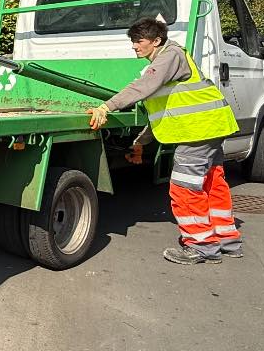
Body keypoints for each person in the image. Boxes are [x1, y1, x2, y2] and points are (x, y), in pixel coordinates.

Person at [87, 17, 242, 265]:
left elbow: (144, 86)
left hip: (196, 132)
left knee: (185, 188)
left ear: (156, 40)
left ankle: (201, 246)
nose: (134, 46)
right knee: (213, 183)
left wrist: (107, 106)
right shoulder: (170, 60)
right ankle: (226, 239)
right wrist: (140, 143)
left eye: (139, 41)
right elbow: (162, 111)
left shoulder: (169, 56)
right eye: (133, 41)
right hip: (211, 127)